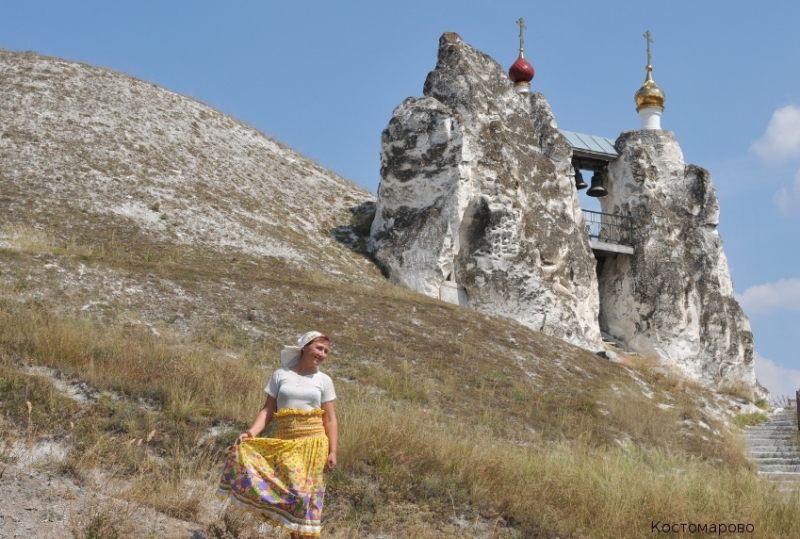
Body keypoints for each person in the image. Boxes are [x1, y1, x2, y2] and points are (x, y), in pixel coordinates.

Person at [217, 331, 338, 539]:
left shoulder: (324, 380)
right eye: (319, 348)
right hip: (286, 443)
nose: (323, 354)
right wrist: (251, 433)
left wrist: (333, 450)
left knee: (302, 501)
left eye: (326, 351)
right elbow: (267, 410)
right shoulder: (280, 374)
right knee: (292, 499)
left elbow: (330, 419)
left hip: (314, 446)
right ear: (304, 347)